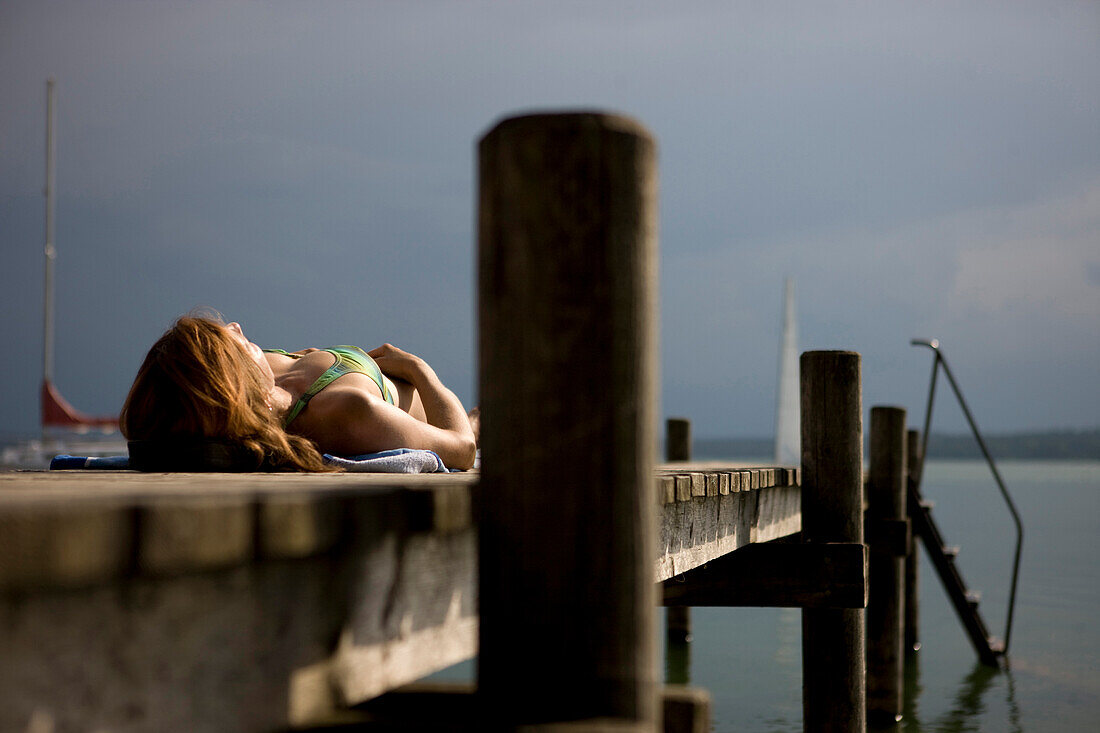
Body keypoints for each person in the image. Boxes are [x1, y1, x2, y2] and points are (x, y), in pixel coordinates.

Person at [120, 312, 478, 471]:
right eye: (238, 341)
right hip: (435, 411)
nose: (237, 326)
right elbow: (461, 449)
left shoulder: (264, 377)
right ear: (233, 380)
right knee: (478, 424)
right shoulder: (345, 412)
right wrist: (420, 370)